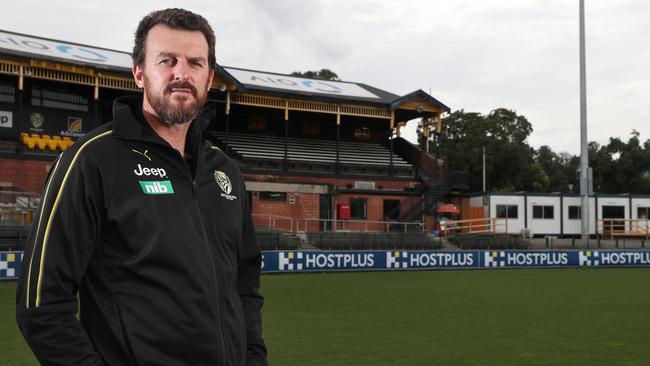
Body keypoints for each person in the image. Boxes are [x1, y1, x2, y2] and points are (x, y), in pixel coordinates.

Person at [16, 8, 267, 366]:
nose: (182, 73)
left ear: (209, 78)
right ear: (138, 73)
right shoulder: (90, 161)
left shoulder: (225, 172)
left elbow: (245, 288)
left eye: (195, 63)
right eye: (167, 60)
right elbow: (41, 306)